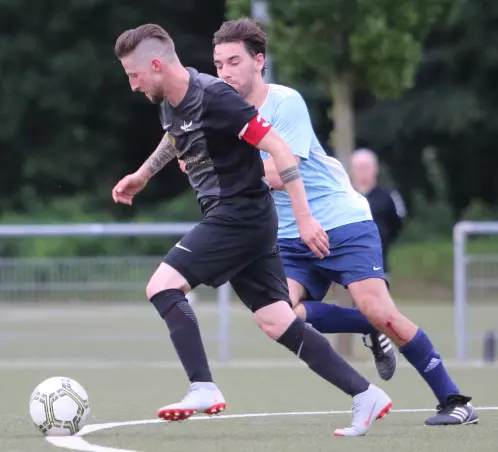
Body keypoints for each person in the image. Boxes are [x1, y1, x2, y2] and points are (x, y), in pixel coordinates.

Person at [112, 23, 392, 437]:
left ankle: (202, 386)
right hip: (240, 218)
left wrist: (304, 218)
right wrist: (142, 175)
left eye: (134, 75)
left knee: (162, 286)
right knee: (278, 321)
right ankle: (365, 394)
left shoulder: (217, 97)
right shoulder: (170, 101)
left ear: (156, 65)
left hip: (240, 215)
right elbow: (174, 137)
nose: (133, 85)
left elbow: (279, 148)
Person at [209, 18, 478, 427]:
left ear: (259, 61)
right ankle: (369, 328)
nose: (225, 73)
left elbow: (281, 173)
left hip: (341, 221)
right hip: (289, 235)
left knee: (380, 309)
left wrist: (220, 171)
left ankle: (454, 401)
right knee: (277, 315)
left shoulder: (285, 103)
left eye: (234, 62)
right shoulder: (222, 115)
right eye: (218, 65)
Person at [351, 149, 406, 274]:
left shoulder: (388, 195)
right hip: (348, 264)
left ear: (375, 169)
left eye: (366, 167)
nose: (363, 172)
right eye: (359, 167)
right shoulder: (344, 197)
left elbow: (397, 223)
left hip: (379, 262)